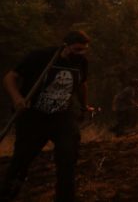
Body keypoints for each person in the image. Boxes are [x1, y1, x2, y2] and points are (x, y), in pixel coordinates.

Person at [0, 30, 92, 202]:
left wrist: (84, 106)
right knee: (22, 159)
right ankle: (7, 192)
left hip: (62, 116)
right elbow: (9, 78)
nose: (81, 53)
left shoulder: (81, 62)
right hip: (33, 117)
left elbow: (82, 84)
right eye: (77, 49)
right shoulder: (40, 57)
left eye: (84, 49)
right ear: (65, 46)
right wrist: (17, 98)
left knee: (68, 156)